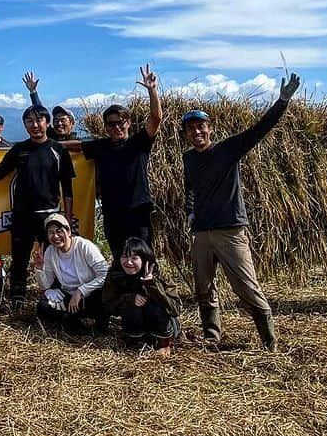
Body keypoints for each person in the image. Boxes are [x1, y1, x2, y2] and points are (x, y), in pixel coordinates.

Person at [182, 73, 301, 350]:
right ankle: (212, 335)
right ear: (186, 134)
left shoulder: (228, 150)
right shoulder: (188, 158)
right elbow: (189, 189)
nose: (197, 132)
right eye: (191, 129)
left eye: (201, 127)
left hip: (230, 230)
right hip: (201, 233)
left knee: (246, 287)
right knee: (203, 287)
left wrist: (282, 101)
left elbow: (260, 129)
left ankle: (269, 341)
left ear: (209, 128)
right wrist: (190, 212)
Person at [0, 105, 75, 309]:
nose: (35, 125)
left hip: (50, 216)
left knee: (53, 259)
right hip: (22, 215)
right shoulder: (19, 149)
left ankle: (55, 296)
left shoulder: (58, 150)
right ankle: (17, 296)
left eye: (39, 120)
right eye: (29, 121)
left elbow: (67, 188)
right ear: (24, 125)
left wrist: (66, 219)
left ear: (47, 123)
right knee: (20, 259)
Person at [73, 65, 162, 262]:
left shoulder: (139, 143)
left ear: (128, 122)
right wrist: (46, 143)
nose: (116, 127)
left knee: (143, 258)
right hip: (112, 213)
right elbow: (76, 146)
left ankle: (147, 292)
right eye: (111, 124)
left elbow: (156, 119)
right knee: (120, 257)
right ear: (105, 126)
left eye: (120, 122)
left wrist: (152, 90)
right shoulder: (101, 146)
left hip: (139, 211)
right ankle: (124, 293)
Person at [102, 237, 181, 356]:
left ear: (144, 259)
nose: (128, 262)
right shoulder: (115, 274)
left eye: (134, 258)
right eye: (124, 257)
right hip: (139, 323)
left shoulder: (158, 274)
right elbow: (107, 304)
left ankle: (164, 343)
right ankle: (136, 339)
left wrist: (152, 286)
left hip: (164, 324)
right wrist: (128, 298)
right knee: (132, 305)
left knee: (152, 306)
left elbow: (175, 309)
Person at [35, 213, 109, 330]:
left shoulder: (84, 246)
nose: (55, 236)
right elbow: (46, 285)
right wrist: (39, 268)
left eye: (59, 231)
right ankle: (73, 322)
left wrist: (81, 291)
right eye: (51, 233)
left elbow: (104, 274)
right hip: (68, 297)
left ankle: (99, 322)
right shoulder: (50, 252)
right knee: (42, 307)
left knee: (101, 298)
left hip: (90, 294)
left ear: (68, 231)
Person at [22, 72, 76, 141]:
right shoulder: (50, 140)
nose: (59, 124)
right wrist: (33, 91)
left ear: (72, 123)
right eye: (56, 120)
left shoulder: (79, 145)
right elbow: (40, 111)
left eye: (63, 120)